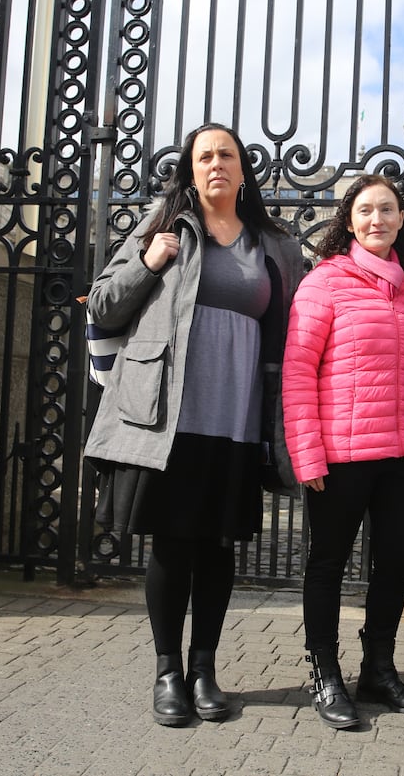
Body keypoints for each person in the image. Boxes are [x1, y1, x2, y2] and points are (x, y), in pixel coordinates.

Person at [83, 122, 305, 726]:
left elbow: (291, 334)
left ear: (242, 169)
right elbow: (103, 303)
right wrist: (150, 263)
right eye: (204, 156)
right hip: (168, 417)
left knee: (217, 546)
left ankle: (205, 669)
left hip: (236, 418)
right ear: (190, 168)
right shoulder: (162, 226)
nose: (215, 165)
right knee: (173, 545)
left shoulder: (276, 246)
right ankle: (167, 672)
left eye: (226, 155)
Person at [281, 174, 404, 729]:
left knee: (393, 565)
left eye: (387, 210)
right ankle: (325, 674)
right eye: (366, 210)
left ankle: (379, 668)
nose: (377, 220)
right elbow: (298, 371)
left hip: (399, 455)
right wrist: (307, 453)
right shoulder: (325, 282)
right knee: (327, 566)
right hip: (341, 456)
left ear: (400, 221)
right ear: (349, 220)